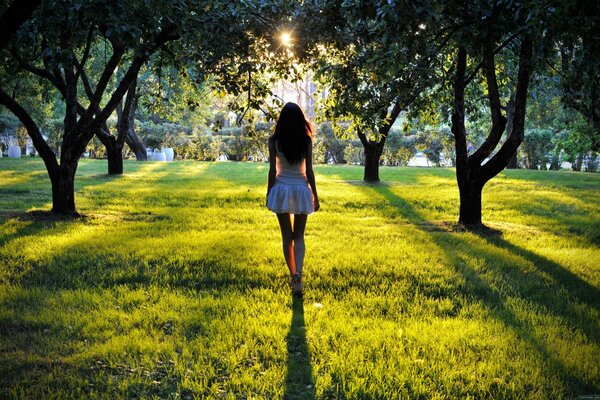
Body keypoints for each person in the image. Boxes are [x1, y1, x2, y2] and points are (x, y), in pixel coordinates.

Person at [266, 102, 320, 296]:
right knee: (299, 236)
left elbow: (272, 170)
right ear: (300, 120)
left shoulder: (274, 141)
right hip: (300, 189)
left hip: (281, 189)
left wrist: (269, 192)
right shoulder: (305, 141)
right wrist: (315, 195)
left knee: (286, 237)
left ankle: (293, 276)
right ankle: (299, 274)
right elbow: (310, 172)